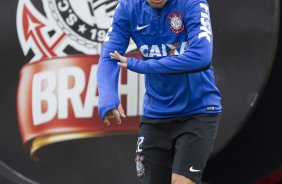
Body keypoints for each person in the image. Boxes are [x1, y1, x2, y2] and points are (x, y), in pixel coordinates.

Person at [97, 0, 222, 183]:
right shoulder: (127, 7)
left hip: (198, 110)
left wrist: (140, 65)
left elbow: (201, 57)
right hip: (155, 113)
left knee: (182, 181)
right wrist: (107, 96)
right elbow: (109, 56)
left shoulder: (193, 3)